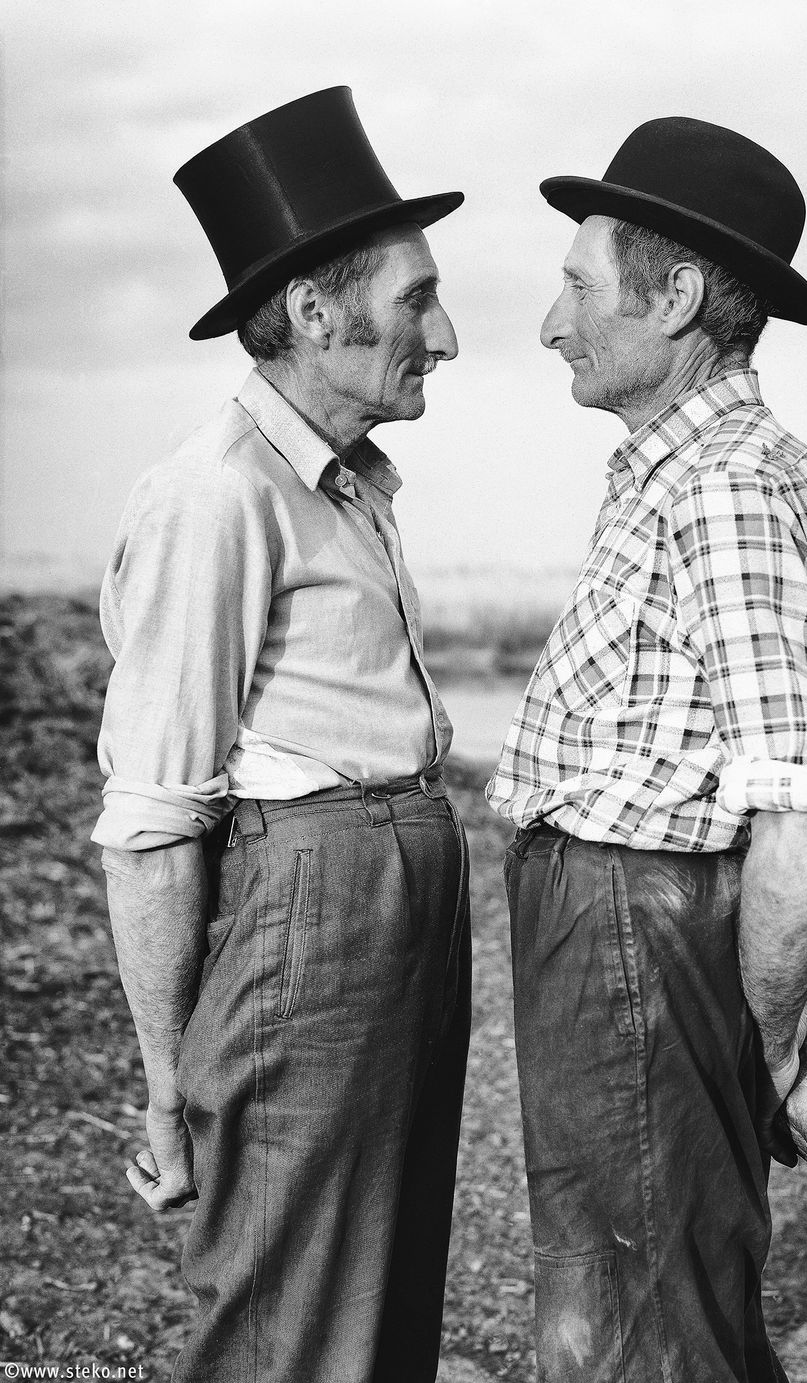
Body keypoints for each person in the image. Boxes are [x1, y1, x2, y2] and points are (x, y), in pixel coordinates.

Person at [487, 117, 807, 1382]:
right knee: (633, 1300)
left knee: (637, 1331)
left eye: (575, 286)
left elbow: (804, 847)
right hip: (629, 939)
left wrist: (765, 1050)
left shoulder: (721, 481)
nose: (553, 325)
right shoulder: (686, 471)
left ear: (676, 298)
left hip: (631, 938)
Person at [93, 87, 470, 1383]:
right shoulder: (215, 494)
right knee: (285, 1315)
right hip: (310, 923)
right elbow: (151, 820)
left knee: (377, 1297)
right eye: (417, 298)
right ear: (316, 310)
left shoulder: (350, 478)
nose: (448, 335)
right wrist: (166, 1088)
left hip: (391, 916)